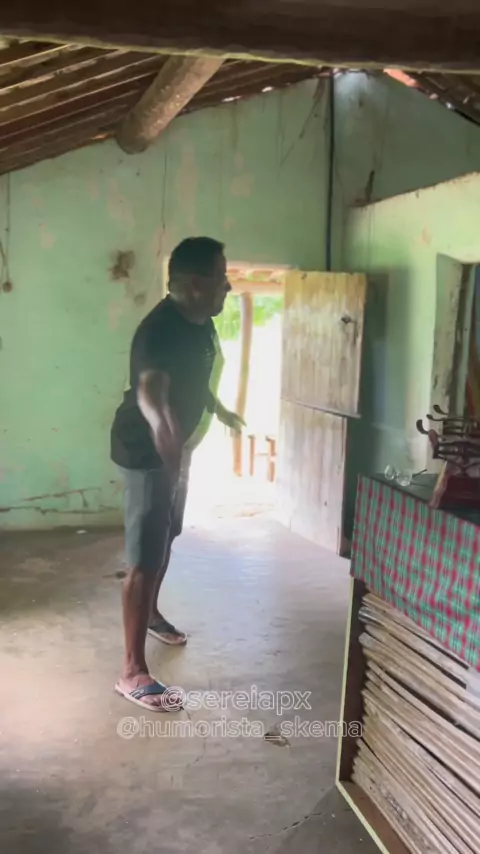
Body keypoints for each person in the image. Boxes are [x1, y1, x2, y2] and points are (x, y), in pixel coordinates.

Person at [110, 237, 244, 711]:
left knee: (167, 535)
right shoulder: (158, 333)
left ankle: (150, 613)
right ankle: (131, 671)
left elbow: (197, 378)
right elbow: (155, 405)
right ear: (193, 283)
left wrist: (219, 410)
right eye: (221, 277)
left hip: (174, 448)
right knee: (144, 555)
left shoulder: (202, 323)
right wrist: (171, 469)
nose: (229, 285)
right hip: (146, 449)